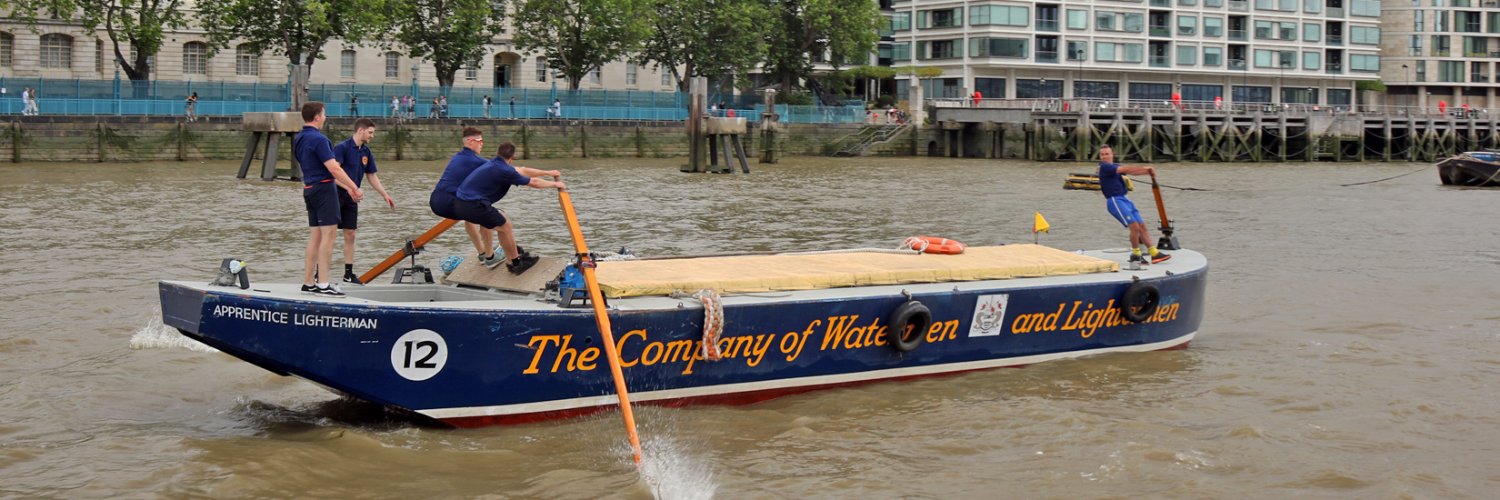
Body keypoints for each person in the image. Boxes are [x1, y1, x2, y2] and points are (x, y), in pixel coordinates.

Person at [452, 141, 564, 274]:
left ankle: (497, 255)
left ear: (498, 153)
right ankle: (516, 263)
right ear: (512, 157)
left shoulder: (493, 164)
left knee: (501, 218)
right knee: (505, 227)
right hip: (472, 205)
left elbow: (523, 171)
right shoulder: (504, 170)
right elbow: (533, 182)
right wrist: (555, 184)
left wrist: (548, 173)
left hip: (459, 204)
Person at [293, 102, 363, 297]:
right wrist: (353, 187)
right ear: (316, 117)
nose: (325, 117)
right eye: (324, 114)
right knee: (329, 236)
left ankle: (308, 282)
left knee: (314, 237)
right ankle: (323, 283)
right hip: (324, 189)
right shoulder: (319, 140)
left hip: (309, 188)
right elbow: (334, 168)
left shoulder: (299, 138)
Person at [331, 117, 395, 284]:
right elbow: (332, 174)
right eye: (370, 132)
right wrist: (349, 188)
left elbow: (372, 176)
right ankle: (319, 273)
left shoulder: (366, 152)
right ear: (361, 130)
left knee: (350, 234)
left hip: (353, 196)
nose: (372, 136)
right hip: (336, 194)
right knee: (328, 234)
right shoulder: (342, 148)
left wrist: (385, 194)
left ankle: (348, 273)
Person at [430, 127, 497, 262]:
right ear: (471, 141)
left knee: (471, 215)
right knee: (486, 213)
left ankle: (482, 252)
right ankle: (490, 257)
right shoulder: (472, 160)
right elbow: (505, 169)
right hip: (447, 202)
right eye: (480, 141)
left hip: (436, 201)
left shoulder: (459, 157)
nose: (482, 144)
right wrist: (544, 175)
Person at [1097, 145, 1169, 265]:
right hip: (1115, 201)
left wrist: (1147, 171)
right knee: (1134, 227)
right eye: (1102, 154)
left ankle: (1154, 253)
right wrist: (1145, 169)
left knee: (1142, 226)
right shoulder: (1104, 167)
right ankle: (1136, 254)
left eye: (1107, 154)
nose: (1104, 156)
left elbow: (1132, 171)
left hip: (1125, 199)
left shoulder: (1115, 166)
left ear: (1112, 155)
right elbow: (1126, 170)